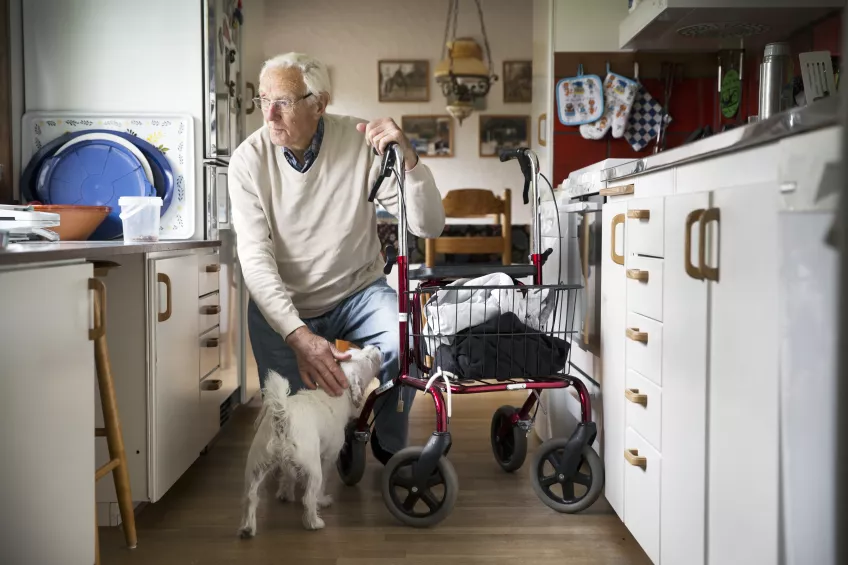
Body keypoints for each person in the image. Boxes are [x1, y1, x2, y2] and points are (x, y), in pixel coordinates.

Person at [228, 52, 445, 465]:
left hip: (357, 291)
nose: (270, 115)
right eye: (264, 101)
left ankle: (386, 442)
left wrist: (409, 159)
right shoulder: (247, 161)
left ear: (319, 103)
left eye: (284, 102)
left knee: (405, 337)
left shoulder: (361, 144)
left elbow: (429, 225)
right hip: (283, 306)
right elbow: (255, 259)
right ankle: (329, 437)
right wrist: (297, 335)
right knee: (291, 443)